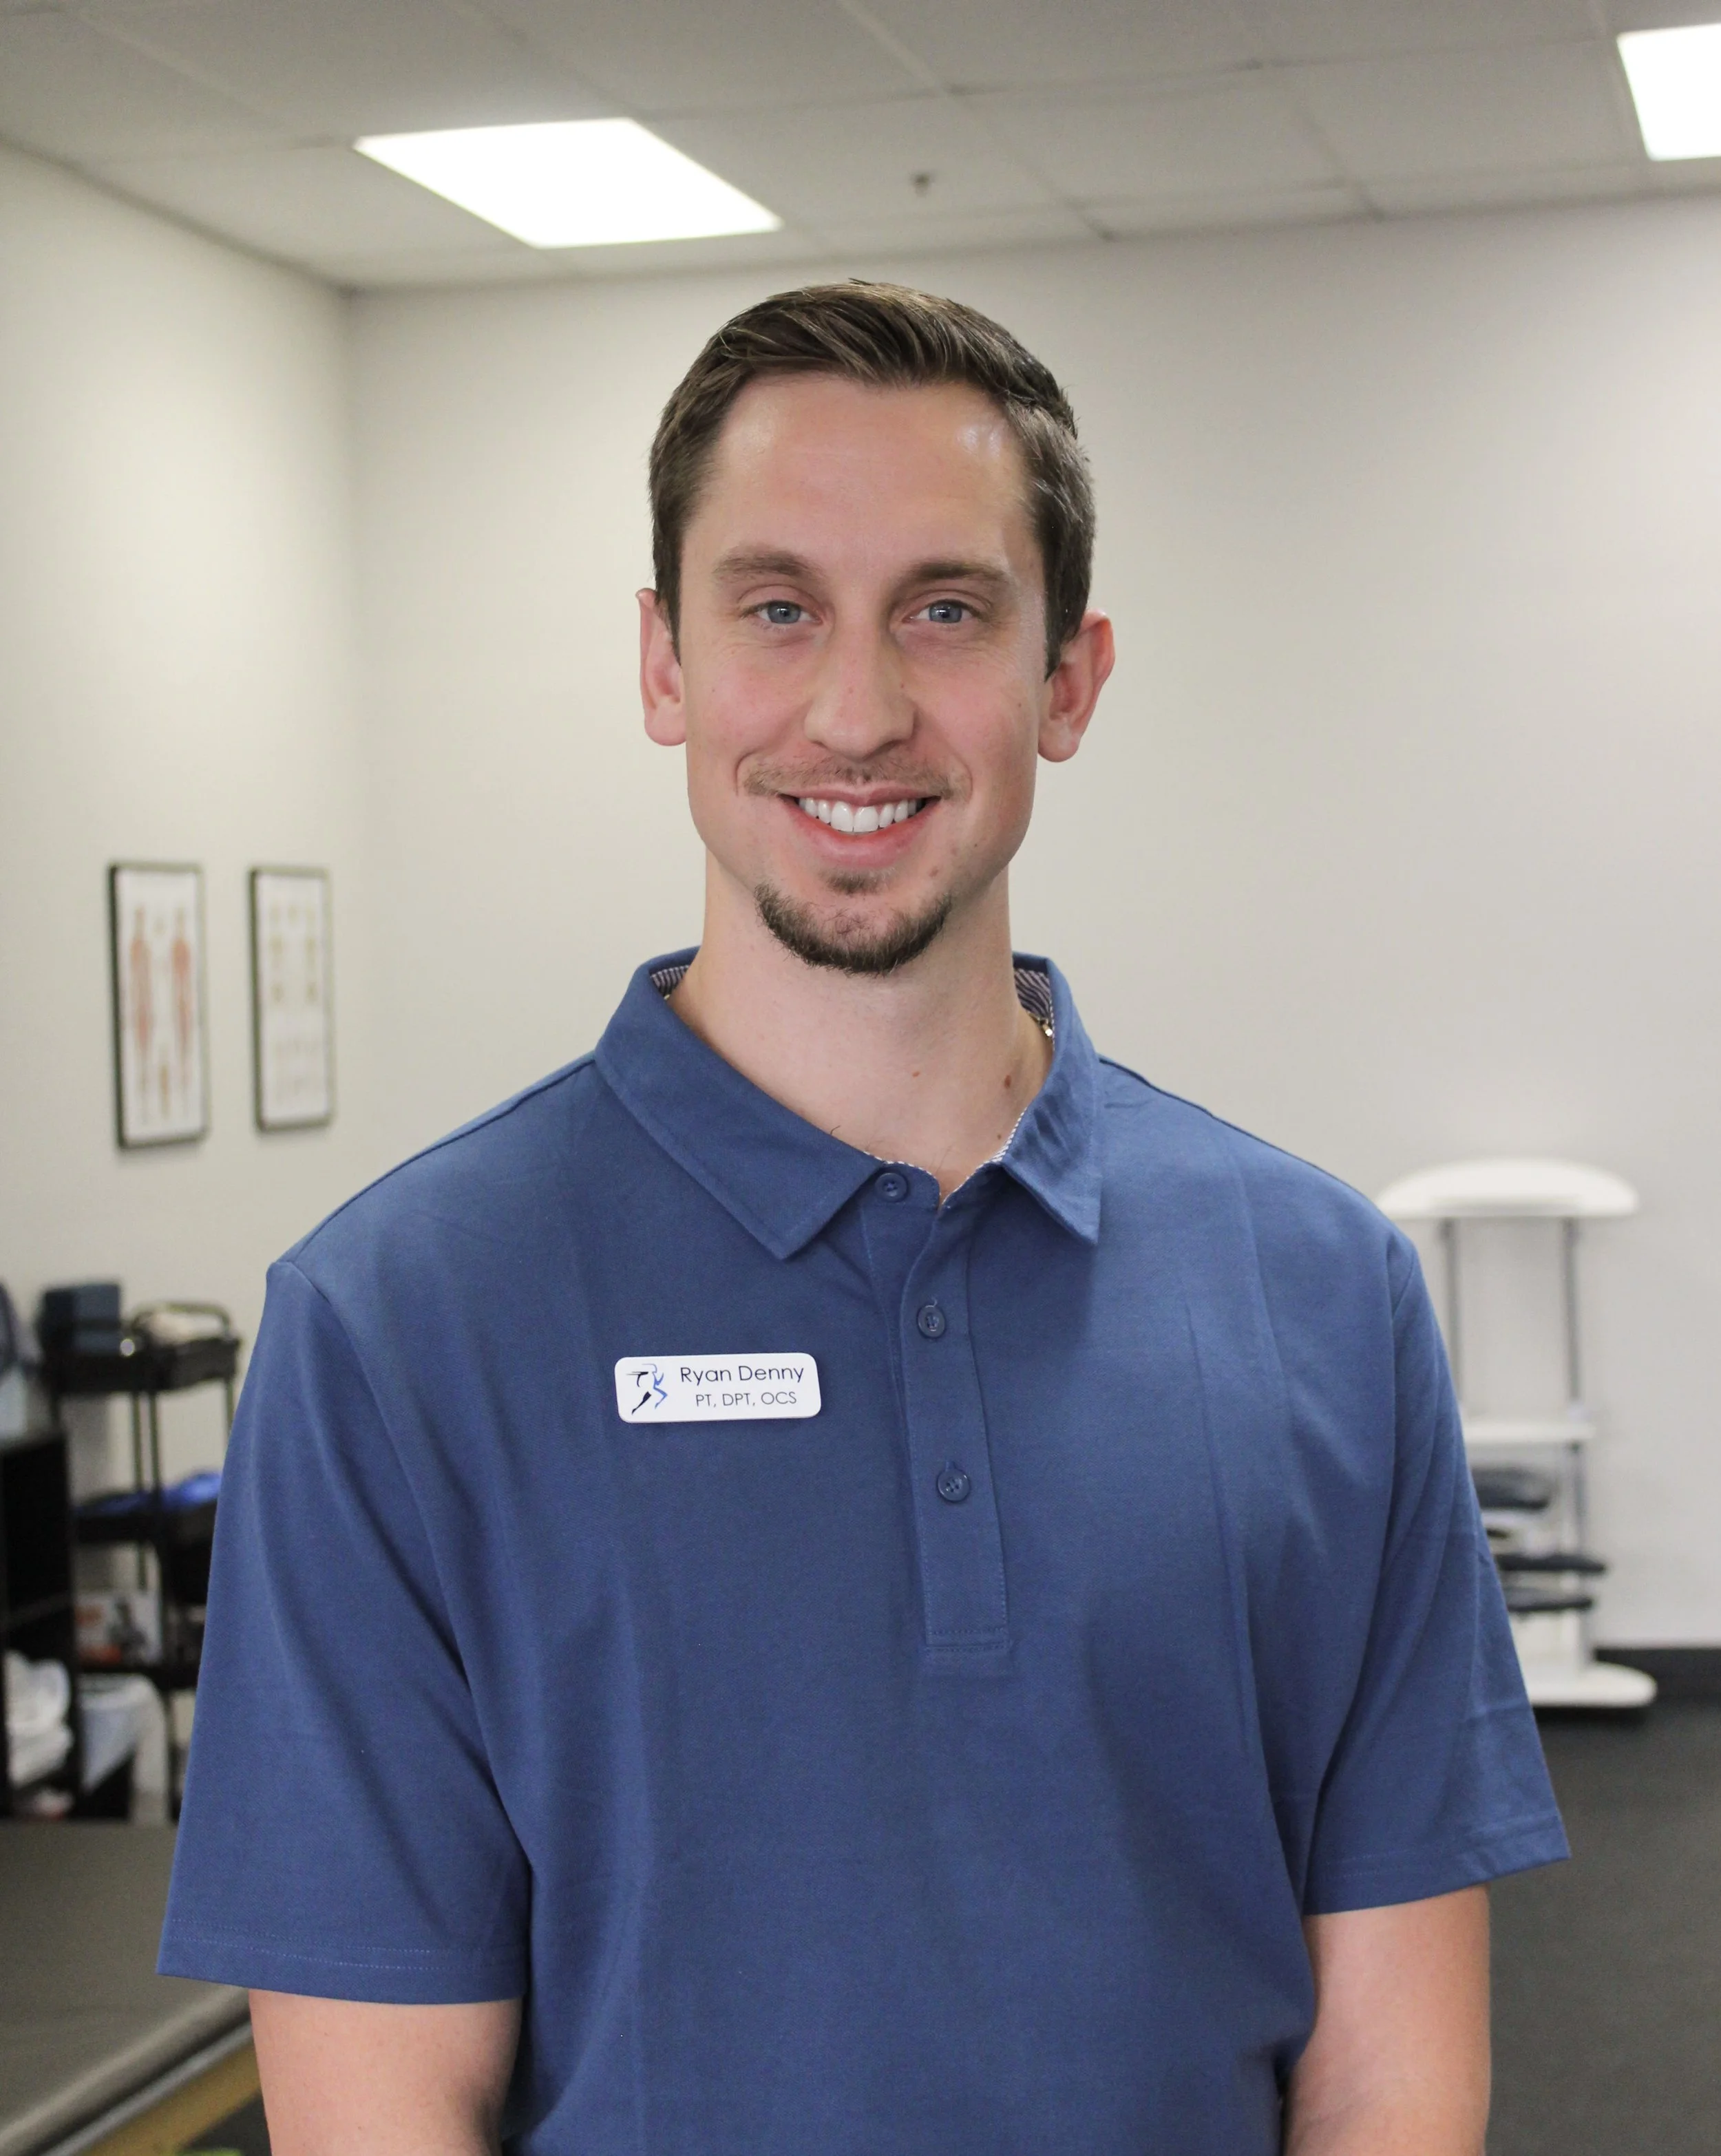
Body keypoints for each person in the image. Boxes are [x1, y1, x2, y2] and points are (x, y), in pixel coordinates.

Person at [161, 282, 1566, 2155]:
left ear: (1068, 678)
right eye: (773, 608)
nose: (855, 708)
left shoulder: (1321, 1293)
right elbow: (382, 2109)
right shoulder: (391, 1328)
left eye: (946, 609)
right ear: (662, 663)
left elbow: (1392, 2069)